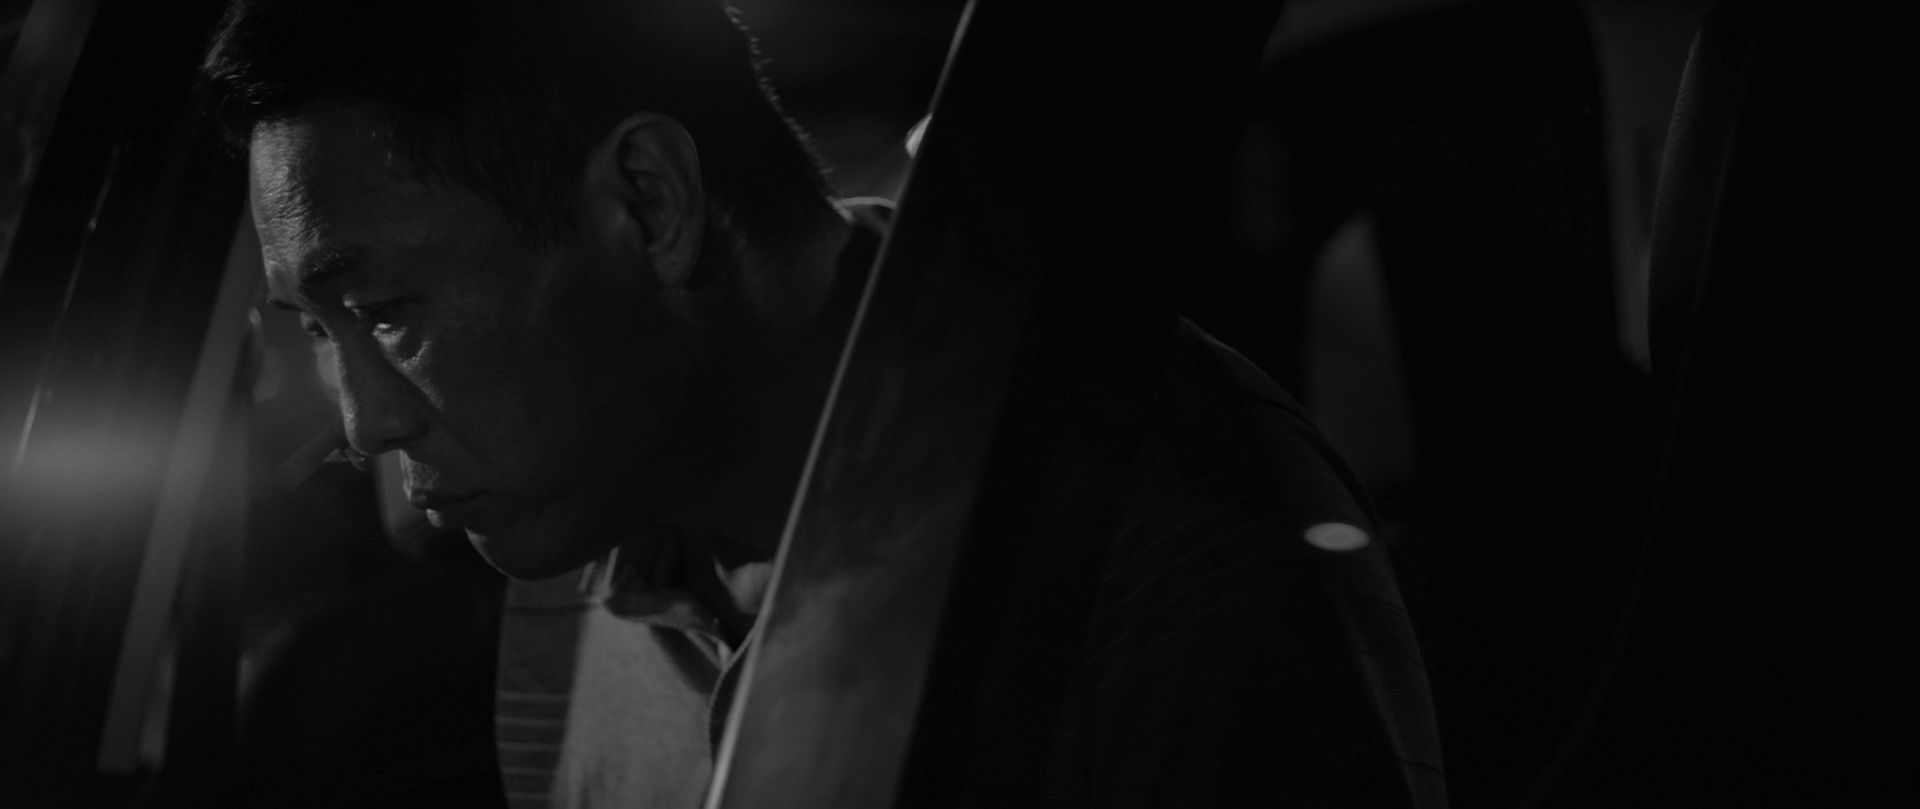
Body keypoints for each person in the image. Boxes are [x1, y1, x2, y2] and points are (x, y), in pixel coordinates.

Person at [200, 1, 1444, 807]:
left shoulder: (1145, 520)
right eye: (315, 332)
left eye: (386, 312)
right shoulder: (565, 567)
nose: (360, 422)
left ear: (647, 200)